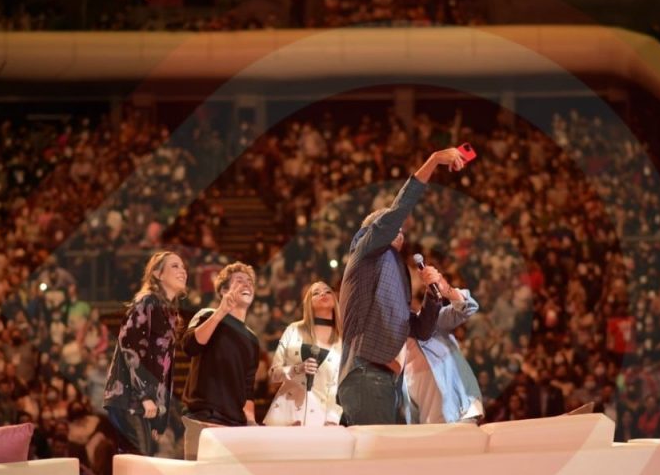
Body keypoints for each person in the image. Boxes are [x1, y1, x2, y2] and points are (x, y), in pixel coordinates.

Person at [337, 148, 465, 426]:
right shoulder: (366, 248)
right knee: (379, 453)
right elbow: (400, 209)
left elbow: (420, 330)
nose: (401, 231)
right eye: (394, 227)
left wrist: (433, 295)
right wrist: (433, 160)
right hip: (366, 373)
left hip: (387, 379)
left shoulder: (391, 272)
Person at [102, 251, 187, 456]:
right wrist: (144, 396)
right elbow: (130, 347)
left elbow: (164, 368)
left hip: (144, 403)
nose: (183, 271)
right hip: (129, 399)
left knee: (139, 463)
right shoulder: (147, 302)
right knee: (138, 463)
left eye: (183, 266)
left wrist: (160, 416)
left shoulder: (169, 312)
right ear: (158, 274)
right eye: (175, 266)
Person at [181, 262, 261, 458]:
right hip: (204, 419)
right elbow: (190, 346)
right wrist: (221, 312)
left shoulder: (252, 339)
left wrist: (250, 421)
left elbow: (247, 388)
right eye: (239, 281)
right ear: (224, 290)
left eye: (249, 282)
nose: (247, 284)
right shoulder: (207, 315)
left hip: (235, 427)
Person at [404, 283, 484, 424]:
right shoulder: (391, 352)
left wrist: (446, 289)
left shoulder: (431, 321)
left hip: (462, 412)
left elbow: (467, 307)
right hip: (431, 426)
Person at [266, 281, 343, 426]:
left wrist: (333, 418)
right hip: (286, 415)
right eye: (316, 293)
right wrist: (297, 369)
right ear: (308, 303)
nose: (323, 294)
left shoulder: (343, 339)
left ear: (335, 299)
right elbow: (273, 374)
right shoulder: (294, 329)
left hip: (321, 421)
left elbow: (341, 385)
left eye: (328, 291)